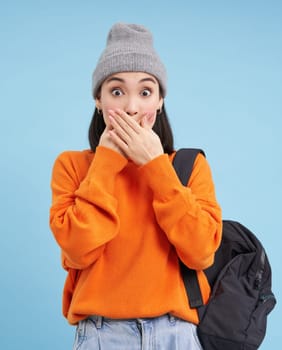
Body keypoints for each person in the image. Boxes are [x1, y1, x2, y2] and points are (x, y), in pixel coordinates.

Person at [49, 22, 222, 350]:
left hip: (176, 334)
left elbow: (201, 253)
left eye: (145, 92)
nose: (131, 107)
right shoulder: (72, 166)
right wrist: (105, 164)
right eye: (116, 91)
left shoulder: (187, 167)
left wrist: (157, 167)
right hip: (101, 334)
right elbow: (77, 248)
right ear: (98, 99)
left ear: (159, 102)